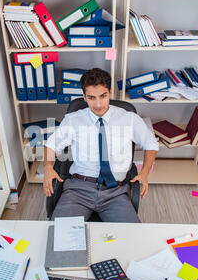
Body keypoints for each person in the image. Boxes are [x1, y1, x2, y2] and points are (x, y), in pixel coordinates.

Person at [43, 68, 159, 222]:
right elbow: (50, 145)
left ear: (110, 92)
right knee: (60, 238)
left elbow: (150, 144)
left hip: (115, 192)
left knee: (131, 239)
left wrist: (144, 173)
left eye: (103, 96)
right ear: (84, 97)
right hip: (78, 190)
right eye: (91, 97)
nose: (98, 104)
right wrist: (47, 168)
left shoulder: (129, 119)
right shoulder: (73, 120)